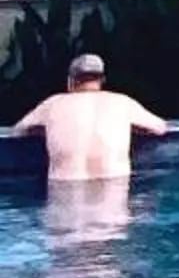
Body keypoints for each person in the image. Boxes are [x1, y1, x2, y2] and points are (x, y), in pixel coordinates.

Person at [9, 52, 168, 184]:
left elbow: (18, 130)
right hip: (113, 188)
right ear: (102, 80)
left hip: (65, 189)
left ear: (71, 81)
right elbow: (160, 127)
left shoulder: (52, 105)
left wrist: (45, 130)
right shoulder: (123, 103)